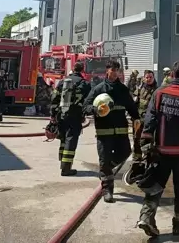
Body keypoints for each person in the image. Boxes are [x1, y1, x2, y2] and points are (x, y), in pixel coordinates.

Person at [137, 60, 179, 237]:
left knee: (155, 185)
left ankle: (146, 217)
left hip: (161, 150)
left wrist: (146, 143)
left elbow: (150, 118)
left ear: (172, 74)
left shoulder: (159, 93)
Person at [83, 60, 139, 203]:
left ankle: (107, 169)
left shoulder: (123, 90)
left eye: (117, 70)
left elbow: (131, 106)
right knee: (104, 160)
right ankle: (108, 190)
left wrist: (136, 118)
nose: (115, 73)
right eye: (113, 70)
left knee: (125, 152)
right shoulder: (99, 89)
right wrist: (95, 110)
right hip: (104, 132)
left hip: (121, 131)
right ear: (107, 71)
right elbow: (86, 106)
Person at [50, 62, 91, 176]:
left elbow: (54, 98)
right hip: (75, 115)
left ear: (73, 69)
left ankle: (62, 161)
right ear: (82, 70)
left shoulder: (63, 81)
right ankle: (66, 168)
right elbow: (88, 101)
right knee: (71, 140)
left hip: (61, 114)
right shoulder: (85, 84)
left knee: (63, 138)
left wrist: (53, 115)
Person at [131, 70, 157, 167]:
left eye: (150, 77)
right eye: (147, 77)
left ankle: (149, 158)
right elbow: (134, 103)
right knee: (136, 138)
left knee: (149, 140)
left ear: (153, 78)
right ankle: (137, 158)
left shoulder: (157, 91)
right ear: (143, 78)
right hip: (138, 119)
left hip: (151, 120)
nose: (148, 79)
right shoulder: (139, 90)